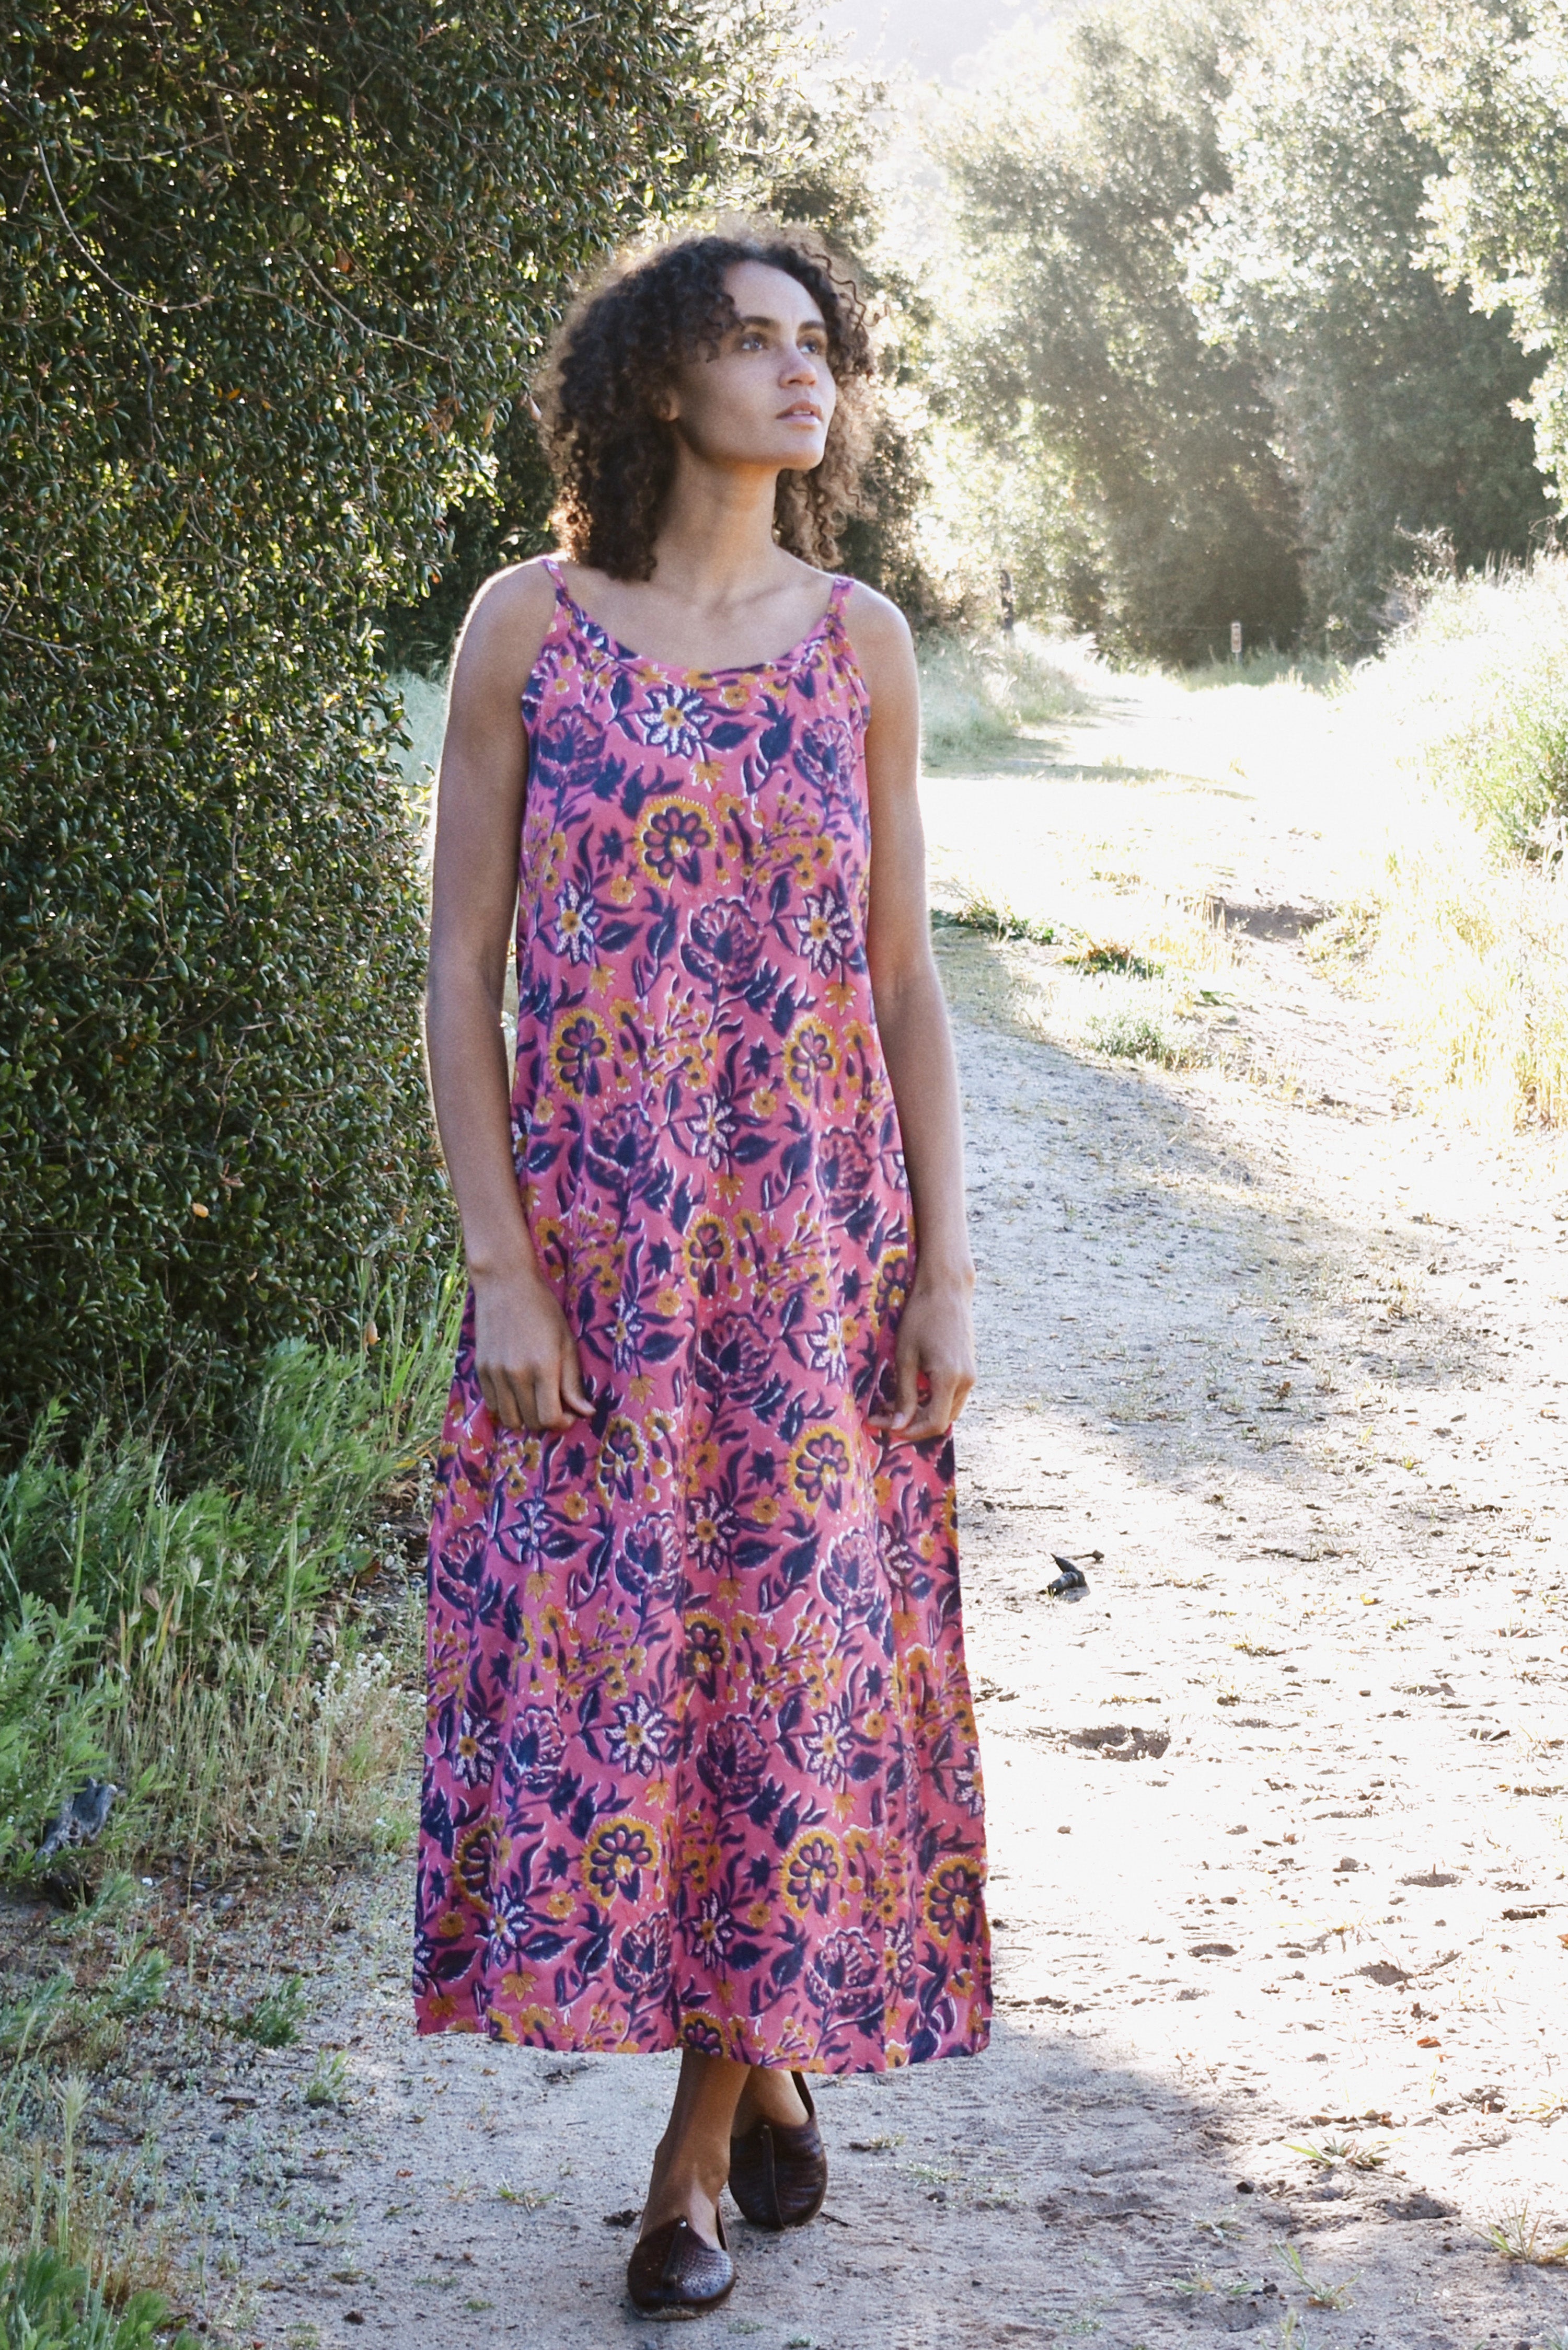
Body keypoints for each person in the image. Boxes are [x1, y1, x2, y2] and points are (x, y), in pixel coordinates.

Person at [415, 220, 990, 2320]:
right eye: (753, 340)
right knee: (630, 1695)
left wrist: (945, 1264)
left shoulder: (864, 644)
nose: (799, 371)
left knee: (789, 1690)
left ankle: (685, 2166)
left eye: (819, 342)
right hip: (601, 1265)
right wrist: (504, 1261)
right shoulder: (526, 632)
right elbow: (459, 972)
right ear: (664, 378)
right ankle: (768, 2062)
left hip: (811, 1266)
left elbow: (907, 976)